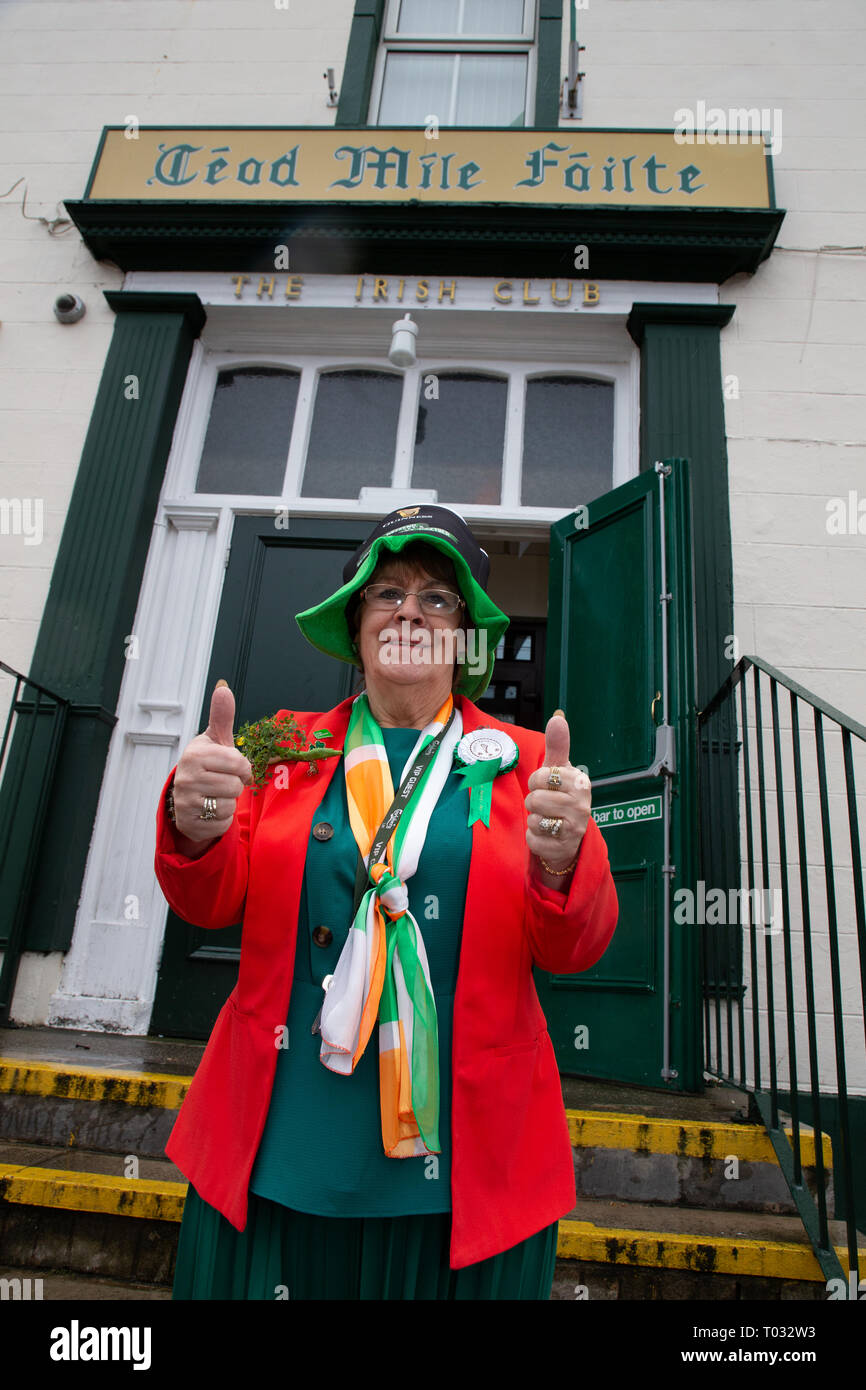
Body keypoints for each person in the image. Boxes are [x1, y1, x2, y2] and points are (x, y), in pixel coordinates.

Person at [154, 504, 618, 1300]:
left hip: (466, 1169)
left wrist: (561, 862)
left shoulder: (532, 768)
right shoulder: (281, 753)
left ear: (467, 637)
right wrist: (194, 820)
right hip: (278, 1140)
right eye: (385, 592)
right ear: (357, 624)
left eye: (437, 597)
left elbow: (575, 949)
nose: (409, 609)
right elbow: (210, 897)